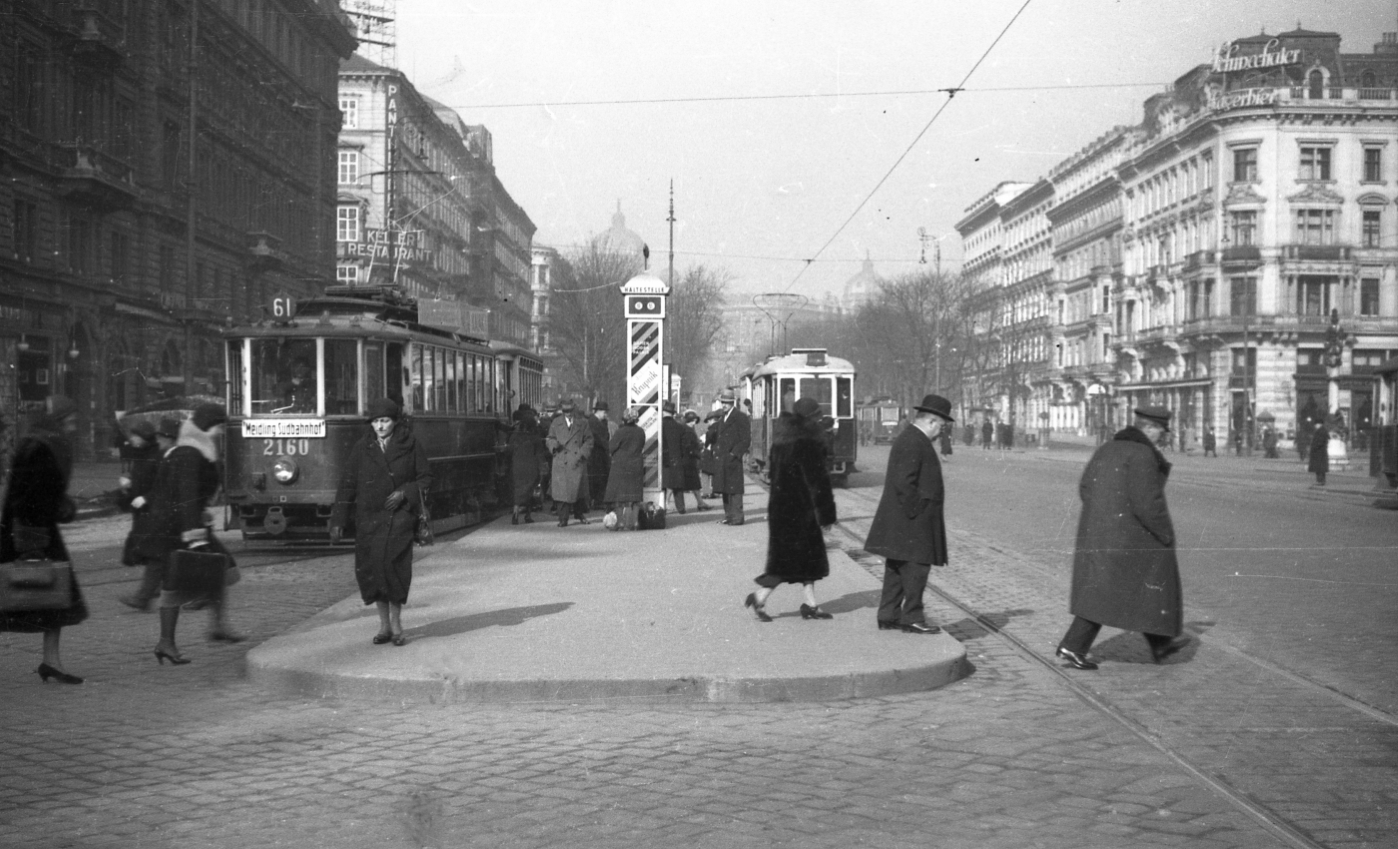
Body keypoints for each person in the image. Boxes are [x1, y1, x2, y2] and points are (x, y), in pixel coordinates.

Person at [1054, 405, 1187, 671]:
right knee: (1116, 591)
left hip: (1099, 533)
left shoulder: (1106, 448)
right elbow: (1147, 503)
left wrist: (1103, 515)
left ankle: (1160, 643)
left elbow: (1085, 487)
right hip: (1128, 538)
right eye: (1161, 430)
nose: (1163, 436)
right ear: (1149, 427)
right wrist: (1165, 533)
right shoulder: (1142, 454)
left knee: (1121, 588)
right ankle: (1073, 645)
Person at [140, 404, 242, 665]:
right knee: (178, 582)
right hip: (178, 528)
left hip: (178, 524)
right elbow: (185, 495)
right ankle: (170, 640)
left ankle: (213, 624)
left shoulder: (194, 448)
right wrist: (194, 536)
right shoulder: (190, 452)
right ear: (207, 426)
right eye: (218, 426)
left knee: (217, 569)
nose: (220, 431)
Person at [330, 398, 432, 646]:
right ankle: (383, 626)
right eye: (376, 422)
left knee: (394, 569)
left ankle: (397, 625)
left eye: (385, 421)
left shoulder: (411, 444)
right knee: (373, 571)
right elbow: (347, 484)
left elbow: (425, 479)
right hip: (369, 519)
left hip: (399, 518)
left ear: (395, 422)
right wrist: (338, 520)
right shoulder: (362, 447)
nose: (380, 426)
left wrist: (404, 493)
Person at [0, 397, 88, 684]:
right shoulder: (42, 448)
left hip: (35, 530)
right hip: (31, 533)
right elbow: (29, 499)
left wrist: (60, 505)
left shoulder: (43, 443)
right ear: (60, 420)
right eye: (71, 420)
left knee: (56, 599)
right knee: (14, 600)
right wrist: (33, 545)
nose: (75, 425)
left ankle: (51, 661)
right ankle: (51, 661)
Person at [864, 394, 955, 635]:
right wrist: (918, 512)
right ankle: (912, 617)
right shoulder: (915, 441)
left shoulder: (911, 438)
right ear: (932, 422)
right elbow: (905, 482)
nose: (941, 432)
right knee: (916, 568)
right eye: (942, 427)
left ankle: (888, 614)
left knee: (896, 568)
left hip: (903, 519)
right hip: (912, 520)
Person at [745, 397, 838, 622]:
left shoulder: (782, 439)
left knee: (806, 560)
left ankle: (811, 604)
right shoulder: (809, 441)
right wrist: (826, 515)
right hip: (802, 510)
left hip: (781, 507)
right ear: (812, 417)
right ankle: (759, 596)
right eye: (817, 416)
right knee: (787, 561)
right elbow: (818, 482)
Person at [117, 419, 168, 611]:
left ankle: (143, 596)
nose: (132, 440)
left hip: (155, 513)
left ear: (145, 437)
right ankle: (152, 589)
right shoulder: (140, 455)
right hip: (144, 514)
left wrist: (146, 498)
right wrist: (126, 488)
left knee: (155, 554)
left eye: (135, 436)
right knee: (156, 554)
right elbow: (141, 481)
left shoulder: (158, 456)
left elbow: (163, 485)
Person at [546, 399, 594, 527]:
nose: (567, 413)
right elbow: (550, 438)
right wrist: (553, 446)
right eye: (565, 411)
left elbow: (589, 440)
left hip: (577, 461)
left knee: (578, 492)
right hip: (561, 459)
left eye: (570, 411)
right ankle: (563, 518)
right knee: (562, 493)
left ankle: (579, 514)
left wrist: (582, 453)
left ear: (574, 409)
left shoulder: (582, 423)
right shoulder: (556, 423)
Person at [711, 390, 751, 526]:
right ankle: (729, 516)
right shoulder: (723, 417)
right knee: (725, 488)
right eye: (723, 402)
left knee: (735, 490)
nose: (724, 405)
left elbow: (746, 440)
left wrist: (734, 454)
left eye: (727, 403)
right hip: (723, 458)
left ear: (732, 402)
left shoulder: (740, 417)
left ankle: (737, 518)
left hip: (732, 458)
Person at [604, 407, 646, 530]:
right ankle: (635, 522)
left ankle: (621, 523)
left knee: (619, 496)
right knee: (635, 496)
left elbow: (611, 447)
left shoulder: (620, 431)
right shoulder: (641, 431)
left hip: (621, 466)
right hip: (636, 465)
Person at [508, 406, 547, 525]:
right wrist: (543, 469)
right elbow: (540, 455)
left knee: (518, 490)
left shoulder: (514, 436)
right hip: (531, 468)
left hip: (517, 466)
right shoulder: (535, 438)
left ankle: (515, 513)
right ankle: (528, 516)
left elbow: (509, 450)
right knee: (530, 491)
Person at [661, 401, 694, 514]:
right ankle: (681, 507)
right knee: (678, 484)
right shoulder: (679, 427)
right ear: (673, 413)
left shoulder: (659, 425)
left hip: (663, 458)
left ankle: (662, 506)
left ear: (663, 412)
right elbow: (685, 445)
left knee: (663, 484)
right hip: (677, 458)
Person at [587, 401, 612, 515]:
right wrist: (608, 447)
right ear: (599, 411)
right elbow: (598, 438)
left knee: (601, 478)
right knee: (596, 478)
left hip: (601, 454)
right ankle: (596, 500)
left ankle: (598, 500)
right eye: (605, 412)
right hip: (595, 454)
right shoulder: (592, 422)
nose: (606, 414)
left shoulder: (602, 422)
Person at [681, 410, 708, 511]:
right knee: (689, 484)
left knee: (694, 484)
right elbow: (689, 447)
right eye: (693, 421)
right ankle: (665, 503)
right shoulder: (688, 431)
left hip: (688, 460)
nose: (694, 423)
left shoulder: (686, 429)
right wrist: (698, 453)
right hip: (688, 460)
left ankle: (700, 502)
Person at [1308, 420, 1330, 486]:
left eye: (1316, 424)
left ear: (1319, 424)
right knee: (1319, 468)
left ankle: (1320, 481)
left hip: (1319, 452)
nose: (1315, 426)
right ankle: (1320, 480)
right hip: (1319, 453)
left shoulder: (1321, 431)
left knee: (1319, 468)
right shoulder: (1321, 431)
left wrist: (1314, 447)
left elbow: (1320, 442)